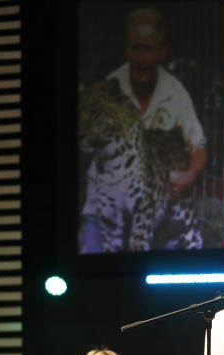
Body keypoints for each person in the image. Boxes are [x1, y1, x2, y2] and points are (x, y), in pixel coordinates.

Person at [79, 8, 207, 253]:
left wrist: (188, 176)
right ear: (126, 50)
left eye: (147, 49)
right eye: (134, 48)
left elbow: (198, 145)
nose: (140, 58)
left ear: (162, 51)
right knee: (92, 248)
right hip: (105, 194)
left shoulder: (175, 91)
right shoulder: (109, 89)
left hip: (151, 194)